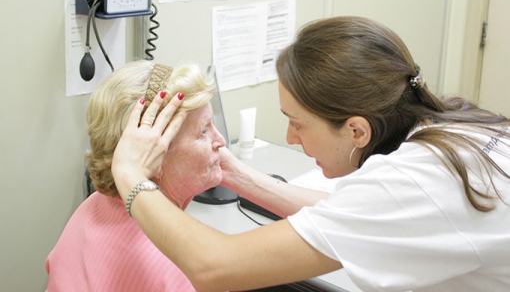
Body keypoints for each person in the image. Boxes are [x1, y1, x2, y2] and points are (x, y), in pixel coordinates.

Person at [111, 16, 510, 292]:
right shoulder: (450, 126)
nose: (290, 137)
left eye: (298, 124)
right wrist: (231, 171)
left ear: (356, 129)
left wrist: (131, 175)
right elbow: (356, 211)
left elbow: (212, 264)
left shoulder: (420, 181)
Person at [46, 60, 226, 292]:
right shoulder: (179, 268)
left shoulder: (90, 209)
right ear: (154, 154)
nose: (220, 141)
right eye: (203, 130)